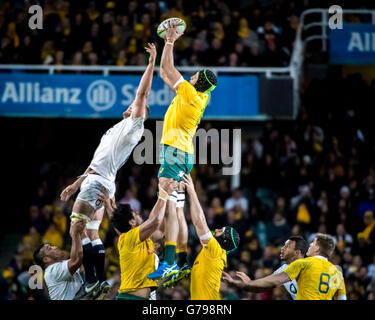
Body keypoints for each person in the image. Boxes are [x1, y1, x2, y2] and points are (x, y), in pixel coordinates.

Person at [59, 43, 157, 293]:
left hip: (99, 181)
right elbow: (97, 162)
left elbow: (142, 93)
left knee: (76, 228)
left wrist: (151, 62)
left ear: (140, 114)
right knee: (92, 232)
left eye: (136, 107)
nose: (131, 105)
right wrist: (76, 182)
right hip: (99, 180)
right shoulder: (118, 128)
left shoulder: (135, 126)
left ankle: (91, 280)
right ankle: (97, 279)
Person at [147, 21, 218, 280]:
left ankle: (169, 263)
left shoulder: (189, 92)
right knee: (176, 208)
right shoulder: (201, 95)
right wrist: (156, 59)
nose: (194, 74)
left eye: (198, 74)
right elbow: (166, 74)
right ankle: (181, 261)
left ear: (199, 82)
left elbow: (169, 69)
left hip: (175, 152)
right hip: (183, 153)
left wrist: (170, 41)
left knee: (171, 208)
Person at [223, 233, 347, 300]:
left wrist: (248, 282)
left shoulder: (303, 264)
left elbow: (272, 282)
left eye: (313, 243)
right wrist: (249, 284)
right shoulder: (336, 271)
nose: (310, 244)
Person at [110, 177, 177, 300]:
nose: (139, 215)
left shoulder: (139, 239)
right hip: (129, 298)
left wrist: (168, 197)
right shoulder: (129, 237)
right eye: (136, 214)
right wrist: (163, 194)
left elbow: (161, 228)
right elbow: (155, 221)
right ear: (131, 222)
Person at [181, 175, 240, 300]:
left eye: (221, 231)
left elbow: (199, 221)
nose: (217, 229)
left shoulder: (215, 249)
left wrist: (192, 191)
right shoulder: (215, 252)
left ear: (223, 240)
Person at [33, 220, 97, 300]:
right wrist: (74, 234)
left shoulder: (62, 264)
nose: (55, 247)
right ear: (46, 259)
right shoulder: (52, 271)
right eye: (50, 248)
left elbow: (82, 260)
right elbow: (76, 260)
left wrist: (83, 233)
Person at [272, 236, 308, 300]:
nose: (282, 248)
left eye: (287, 246)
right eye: (284, 246)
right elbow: (266, 284)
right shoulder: (282, 270)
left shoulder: (312, 267)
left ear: (297, 252)